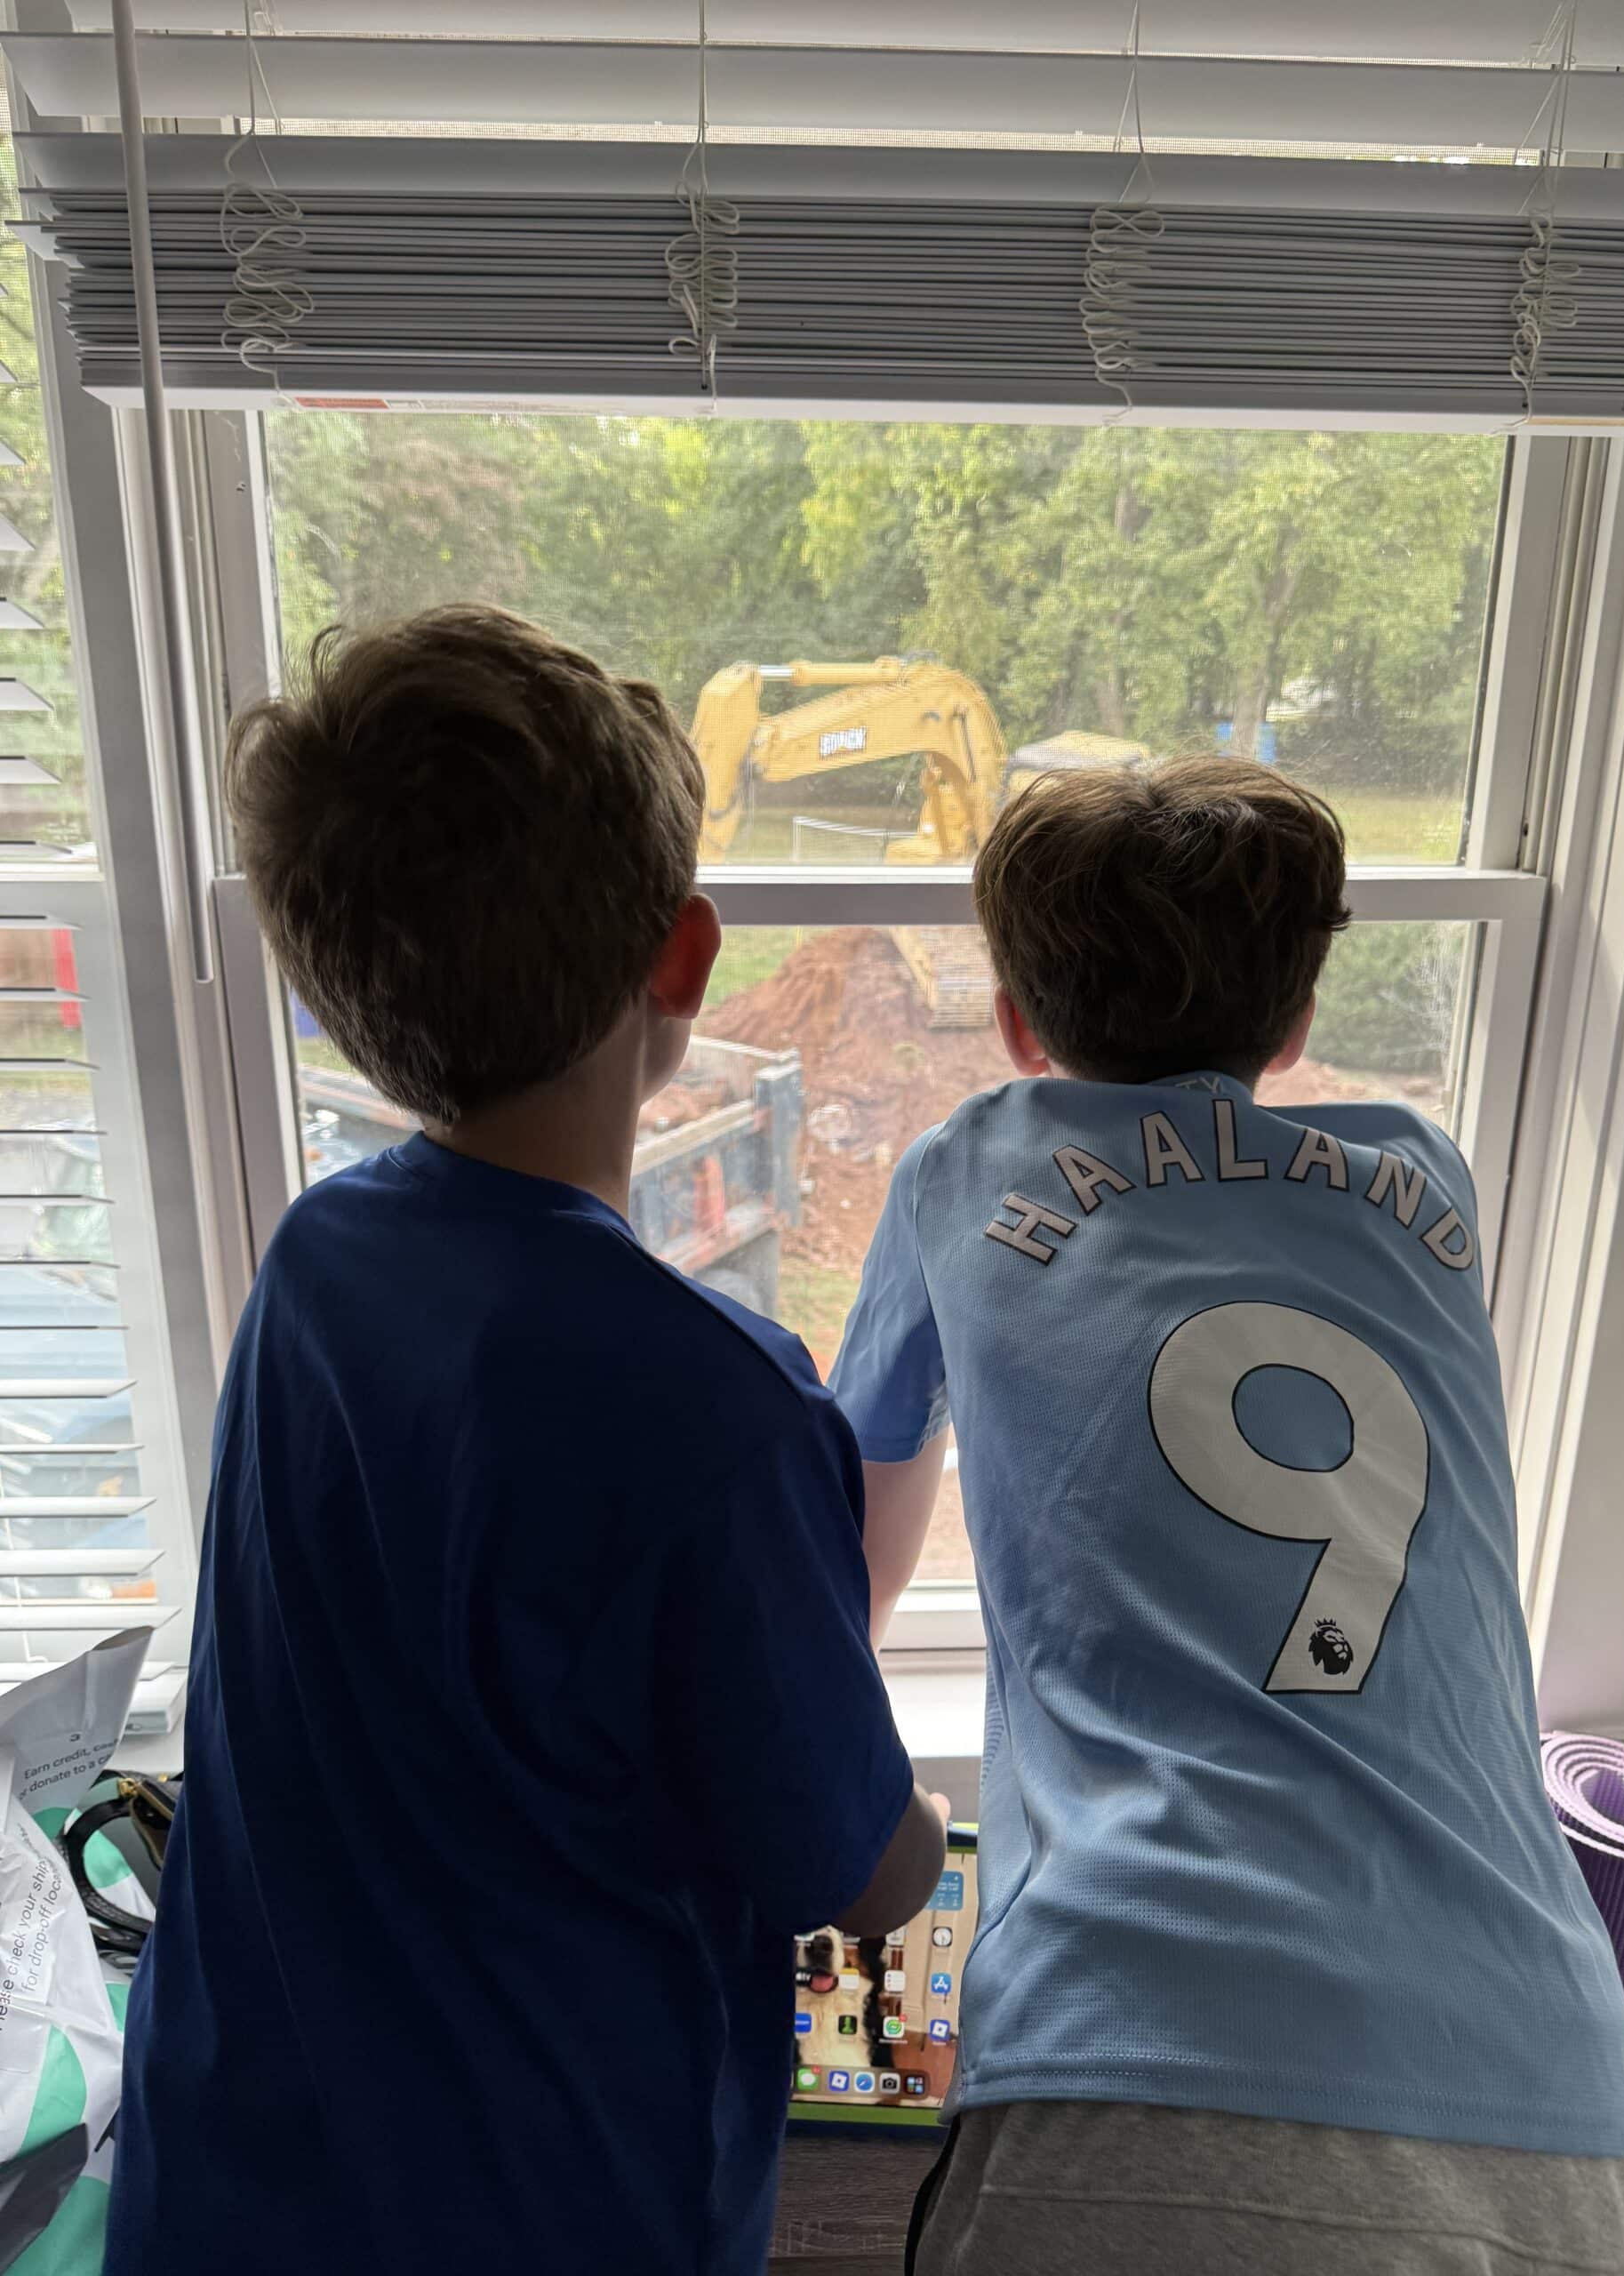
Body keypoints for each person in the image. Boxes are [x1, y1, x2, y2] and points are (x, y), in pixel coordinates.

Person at [108, 607, 945, 2276]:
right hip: (543, 2207)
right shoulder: (711, 1401)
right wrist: (922, 1826)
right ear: (686, 962)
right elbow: (857, 1877)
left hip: (232, 2179)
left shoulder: (317, 1264)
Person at [830, 758, 1624, 2276]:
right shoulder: (1428, 1182)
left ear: (1019, 1030)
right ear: (1294, 1024)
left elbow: (860, 1570)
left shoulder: (965, 1168)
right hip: (1558, 2106)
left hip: (1143, 2042)